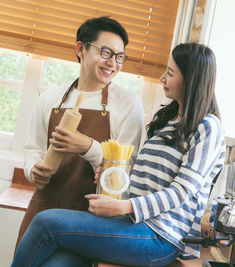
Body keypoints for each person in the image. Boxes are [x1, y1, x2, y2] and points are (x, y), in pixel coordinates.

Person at [12, 43, 226, 267]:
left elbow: (181, 191)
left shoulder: (208, 127)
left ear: (191, 80)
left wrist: (125, 207)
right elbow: (145, 182)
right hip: (131, 225)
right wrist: (112, 180)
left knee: (45, 222)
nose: (162, 77)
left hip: (160, 237)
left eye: (170, 73)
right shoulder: (168, 122)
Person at [15, 16, 144, 250]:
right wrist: (33, 169)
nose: (113, 63)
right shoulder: (49, 98)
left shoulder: (128, 104)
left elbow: (123, 174)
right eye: (105, 52)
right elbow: (32, 149)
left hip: (90, 221)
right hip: (43, 208)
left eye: (119, 57)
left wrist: (87, 146)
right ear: (80, 49)